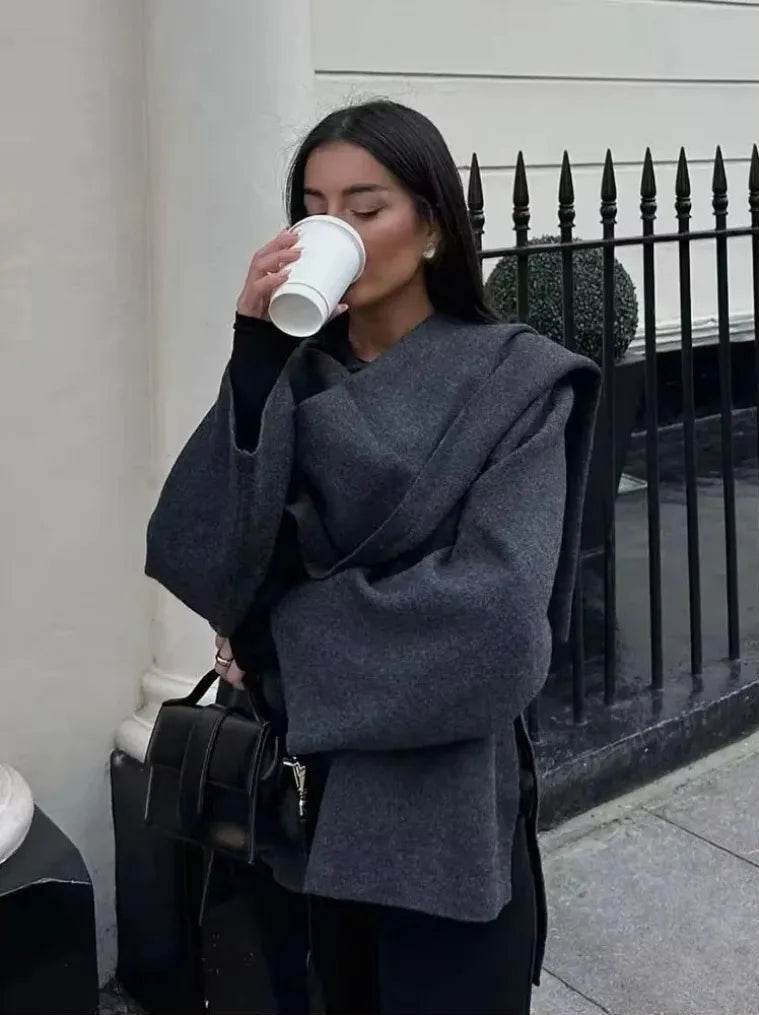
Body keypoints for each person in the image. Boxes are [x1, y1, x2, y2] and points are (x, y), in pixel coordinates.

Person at [145, 100, 600, 1015]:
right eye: (313, 206)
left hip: (440, 814)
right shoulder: (287, 373)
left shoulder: (517, 380)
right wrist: (250, 361)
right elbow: (196, 555)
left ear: (430, 225)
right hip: (291, 799)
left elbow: (498, 623)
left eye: (365, 206)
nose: (334, 229)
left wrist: (278, 643)